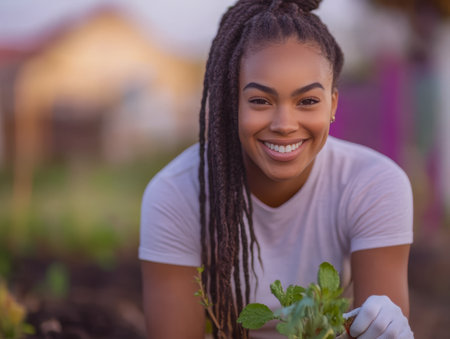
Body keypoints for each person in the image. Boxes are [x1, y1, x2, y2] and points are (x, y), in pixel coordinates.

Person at [139, 0, 414, 338]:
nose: (285, 124)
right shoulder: (176, 194)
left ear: (333, 105)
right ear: (231, 102)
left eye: (308, 101)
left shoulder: (372, 184)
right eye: (260, 101)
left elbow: (377, 323)